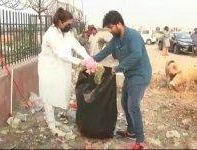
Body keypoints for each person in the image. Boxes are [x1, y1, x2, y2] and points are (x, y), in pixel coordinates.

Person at [88, 10, 152, 149]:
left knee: (133, 106)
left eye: (111, 27)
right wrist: (90, 61)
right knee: (124, 102)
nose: (110, 30)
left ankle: (140, 142)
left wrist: (117, 68)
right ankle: (131, 131)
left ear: (119, 24)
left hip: (140, 74)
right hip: (130, 75)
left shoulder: (133, 36)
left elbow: (136, 55)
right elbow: (105, 52)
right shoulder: (116, 39)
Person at [38, 7, 90, 135]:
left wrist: (88, 58)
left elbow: (76, 46)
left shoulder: (67, 33)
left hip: (60, 70)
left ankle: (52, 120)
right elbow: (60, 54)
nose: (70, 26)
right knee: (48, 96)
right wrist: (80, 62)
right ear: (60, 22)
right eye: (68, 24)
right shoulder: (50, 35)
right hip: (48, 69)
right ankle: (51, 125)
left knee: (58, 93)